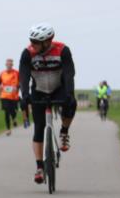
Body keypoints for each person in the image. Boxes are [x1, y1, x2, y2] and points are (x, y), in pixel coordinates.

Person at [19, 23, 77, 184]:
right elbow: (23, 76)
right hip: (38, 90)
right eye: (31, 41)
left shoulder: (62, 50)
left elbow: (69, 73)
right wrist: (24, 95)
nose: (32, 44)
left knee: (71, 104)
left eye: (36, 42)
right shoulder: (27, 53)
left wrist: (70, 94)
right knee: (38, 129)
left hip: (58, 87)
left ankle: (64, 131)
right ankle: (39, 167)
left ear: (47, 41)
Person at [0, 58, 21, 135]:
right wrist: (0, 87)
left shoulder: (17, 73)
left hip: (14, 96)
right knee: (6, 111)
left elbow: (21, 83)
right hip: (4, 95)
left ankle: (14, 119)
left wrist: (17, 87)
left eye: (10, 64)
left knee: (13, 110)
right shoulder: (2, 73)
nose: (9, 66)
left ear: (12, 65)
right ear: (6, 65)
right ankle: (8, 129)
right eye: (7, 64)